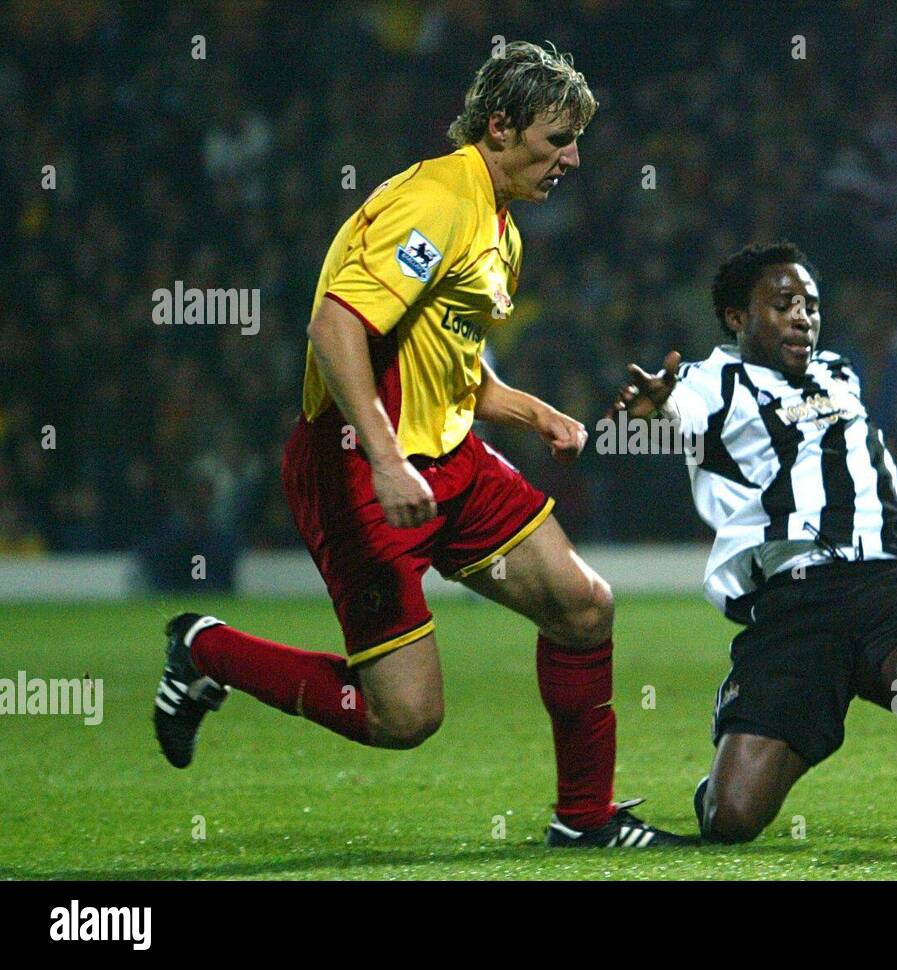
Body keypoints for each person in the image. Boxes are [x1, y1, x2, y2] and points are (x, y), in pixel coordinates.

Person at [153, 41, 684, 848]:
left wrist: (533, 414)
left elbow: (451, 368)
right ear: (500, 127)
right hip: (357, 467)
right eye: (558, 139)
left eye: (578, 141)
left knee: (583, 608)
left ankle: (585, 820)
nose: (573, 157)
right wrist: (385, 456)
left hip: (451, 460)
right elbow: (336, 325)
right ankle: (207, 651)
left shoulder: (502, 226)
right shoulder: (437, 199)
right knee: (404, 717)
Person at [613, 242, 897, 843]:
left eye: (811, 306)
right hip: (793, 606)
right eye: (783, 304)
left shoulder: (839, 373)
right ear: (737, 318)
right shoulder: (709, 382)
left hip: (882, 580)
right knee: (730, 820)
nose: (803, 317)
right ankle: (739, 756)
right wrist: (661, 407)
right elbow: (684, 410)